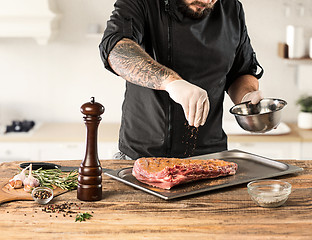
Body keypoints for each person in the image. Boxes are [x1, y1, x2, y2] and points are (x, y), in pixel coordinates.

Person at [99, 0, 264, 160]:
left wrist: (246, 97)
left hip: (211, 156)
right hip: (143, 155)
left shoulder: (232, 8)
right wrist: (170, 82)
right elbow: (116, 49)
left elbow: (241, 72)